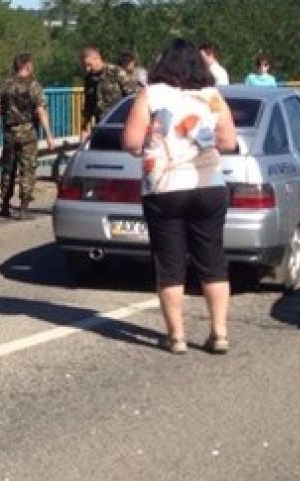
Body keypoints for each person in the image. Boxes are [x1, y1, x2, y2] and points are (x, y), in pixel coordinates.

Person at [122, 38, 237, 355]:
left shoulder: (151, 94)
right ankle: (219, 332)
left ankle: (177, 337)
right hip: (209, 185)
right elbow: (228, 142)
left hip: (165, 187)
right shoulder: (213, 96)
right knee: (212, 259)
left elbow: (131, 141)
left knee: (170, 263)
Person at [0, 53, 55, 220]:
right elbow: (41, 110)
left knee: (8, 169)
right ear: (27, 65)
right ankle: (23, 207)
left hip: (9, 133)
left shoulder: (5, 84)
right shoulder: (34, 85)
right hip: (28, 133)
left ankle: (4, 204)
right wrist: (49, 135)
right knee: (27, 170)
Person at [79, 46, 126, 143]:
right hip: (100, 124)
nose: (87, 69)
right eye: (85, 66)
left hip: (118, 124)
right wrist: (84, 127)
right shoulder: (89, 79)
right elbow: (88, 105)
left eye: (89, 65)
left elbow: (132, 96)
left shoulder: (116, 72)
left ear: (97, 59)